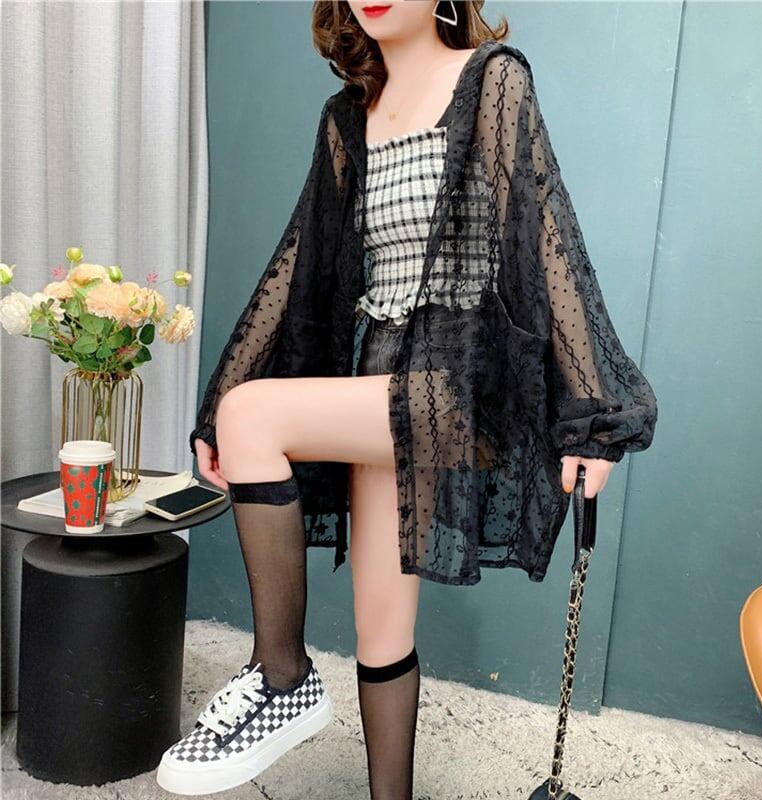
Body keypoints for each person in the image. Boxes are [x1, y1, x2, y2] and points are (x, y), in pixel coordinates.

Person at [156, 1, 658, 798]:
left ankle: (281, 678)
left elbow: (546, 234)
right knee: (381, 630)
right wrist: (216, 401)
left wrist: (594, 421)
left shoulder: (491, 81)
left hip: (460, 385)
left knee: (256, 413)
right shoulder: (347, 117)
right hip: (384, 383)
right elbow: (297, 260)